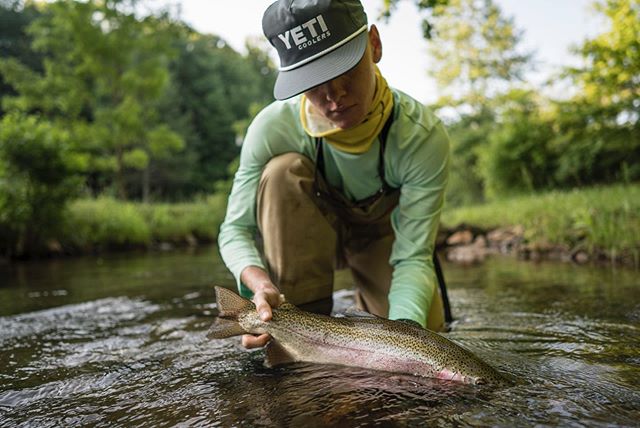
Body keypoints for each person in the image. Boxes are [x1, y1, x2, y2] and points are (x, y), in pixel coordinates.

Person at [217, 0, 451, 348]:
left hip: (381, 242)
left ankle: (368, 308)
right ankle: (298, 322)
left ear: (374, 44)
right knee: (281, 171)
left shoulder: (422, 136)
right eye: (315, 82)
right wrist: (259, 285)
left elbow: (412, 257)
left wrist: (404, 340)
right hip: (305, 237)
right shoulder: (272, 128)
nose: (334, 97)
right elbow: (235, 229)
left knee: (429, 337)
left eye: (345, 71)